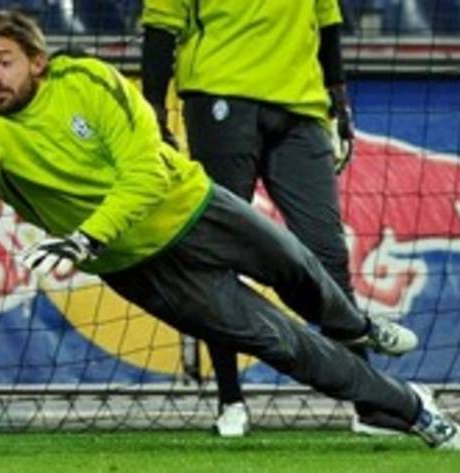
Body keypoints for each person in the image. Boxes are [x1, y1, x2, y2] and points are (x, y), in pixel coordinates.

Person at [0, 10, 460, 452]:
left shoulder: (90, 82)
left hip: (193, 207)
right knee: (281, 343)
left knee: (300, 266)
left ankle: (358, 325)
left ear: (38, 61)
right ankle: (412, 411)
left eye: (4, 62)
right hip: (143, 270)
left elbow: (143, 170)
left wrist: (85, 238)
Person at [139, 0, 383, 437]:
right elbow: (161, 23)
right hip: (220, 94)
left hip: (303, 107)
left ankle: (371, 402)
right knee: (218, 250)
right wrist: (153, 107)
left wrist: (338, 99)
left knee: (327, 251)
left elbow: (326, 20)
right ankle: (230, 400)